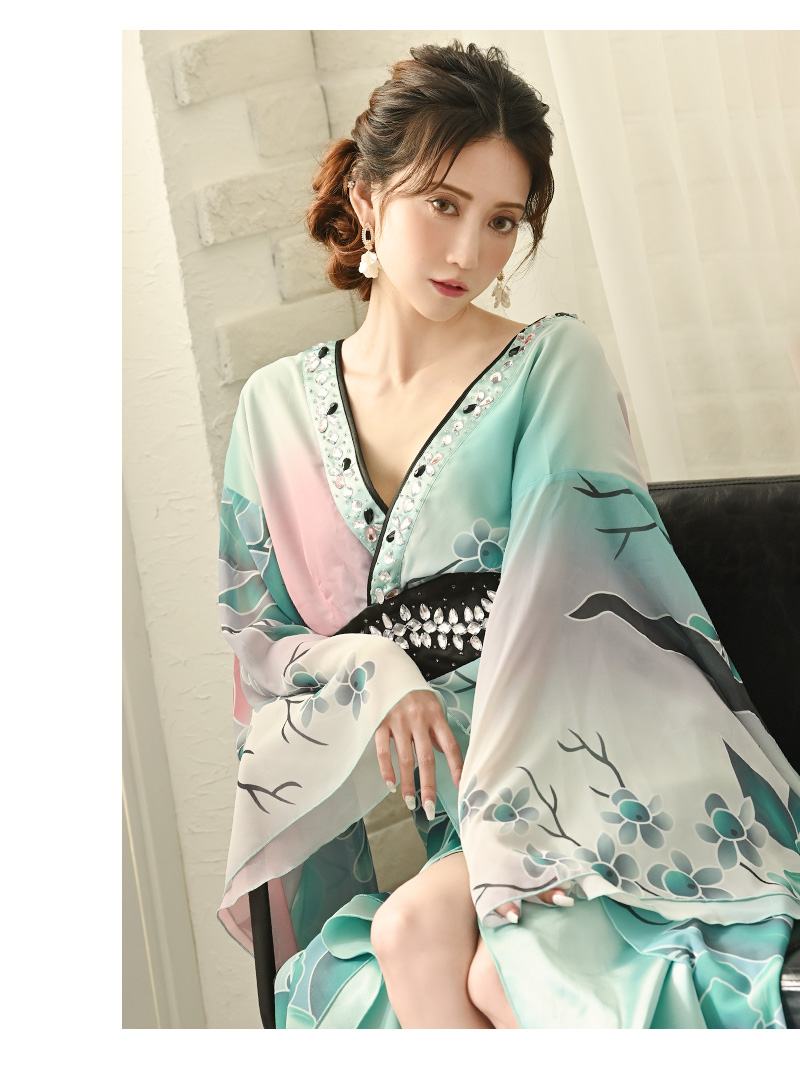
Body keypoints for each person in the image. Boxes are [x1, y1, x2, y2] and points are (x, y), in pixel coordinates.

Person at [216, 40, 800, 1028]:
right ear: (366, 196)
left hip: (597, 767)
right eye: (442, 204)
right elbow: (261, 641)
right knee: (410, 940)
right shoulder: (273, 409)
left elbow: (585, 609)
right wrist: (374, 664)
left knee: (475, 961)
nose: (468, 254)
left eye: (500, 221)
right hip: (457, 816)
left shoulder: (551, 365)